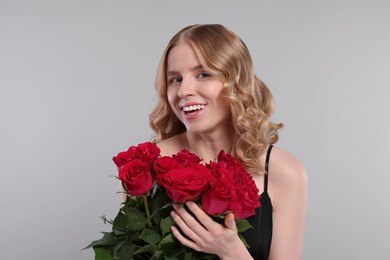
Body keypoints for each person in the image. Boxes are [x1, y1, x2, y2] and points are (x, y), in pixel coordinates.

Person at [149, 24, 307, 260]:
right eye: (175, 79)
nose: (184, 90)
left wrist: (232, 252)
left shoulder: (284, 172)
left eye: (203, 74)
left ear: (236, 81)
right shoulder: (148, 164)